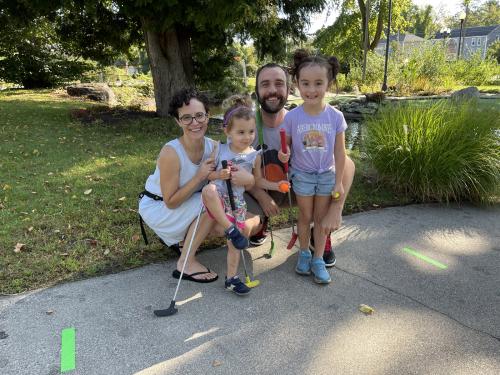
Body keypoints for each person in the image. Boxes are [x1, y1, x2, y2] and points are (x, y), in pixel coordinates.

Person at [138, 88, 255, 283]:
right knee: (212, 202)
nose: (195, 123)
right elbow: (171, 202)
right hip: (159, 207)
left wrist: (244, 177)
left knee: (225, 217)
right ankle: (185, 262)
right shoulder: (171, 153)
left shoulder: (214, 147)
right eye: (186, 118)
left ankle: (185, 242)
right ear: (178, 121)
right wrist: (199, 176)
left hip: (190, 202)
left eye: (200, 115)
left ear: (208, 116)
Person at [246, 61, 356, 268]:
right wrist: (261, 197)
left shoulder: (301, 120)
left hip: (297, 187)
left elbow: (345, 162)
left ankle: (319, 231)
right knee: (243, 226)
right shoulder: (245, 126)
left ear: (289, 89)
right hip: (261, 189)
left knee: (341, 168)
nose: (272, 90)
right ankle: (261, 221)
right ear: (257, 90)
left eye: (279, 84)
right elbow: (236, 171)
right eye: (265, 84)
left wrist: (336, 207)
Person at [202, 95, 288, 294]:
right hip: (217, 200)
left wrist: (277, 185)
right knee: (210, 189)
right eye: (241, 132)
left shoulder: (254, 155)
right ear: (227, 131)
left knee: (235, 244)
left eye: (250, 131)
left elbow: (257, 181)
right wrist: (219, 174)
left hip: (237, 203)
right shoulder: (219, 149)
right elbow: (207, 176)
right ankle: (230, 228)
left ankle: (231, 278)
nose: (247, 136)